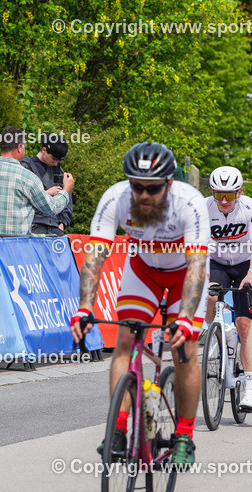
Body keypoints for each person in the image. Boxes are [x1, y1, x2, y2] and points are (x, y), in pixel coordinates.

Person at [70, 142, 208, 468]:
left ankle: (185, 435)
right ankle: (118, 429)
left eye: (153, 188)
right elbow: (95, 257)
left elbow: (197, 267)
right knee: (125, 340)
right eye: (136, 187)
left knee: (184, 346)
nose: (143, 195)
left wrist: (186, 318)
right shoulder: (115, 199)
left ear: (169, 184)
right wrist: (84, 308)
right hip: (142, 271)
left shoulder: (190, 203)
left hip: (183, 277)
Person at [204, 166, 252, 412]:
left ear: (240, 192)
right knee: (210, 295)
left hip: (243, 264)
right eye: (219, 195)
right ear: (212, 192)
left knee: (245, 325)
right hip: (217, 261)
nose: (225, 200)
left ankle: (250, 388)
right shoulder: (203, 208)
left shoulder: (250, 208)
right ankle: (212, 335)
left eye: (230, 194)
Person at [0, 126, 74, 236]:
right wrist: (66, 189)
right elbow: (52, 207)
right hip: (15, 247)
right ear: (19, 147)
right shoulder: (28, 177)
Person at [21, 133, 72, 236]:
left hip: (55, 228)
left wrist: (62, 223)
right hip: (33, 226)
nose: (56, 163)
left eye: (59, 160)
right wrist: (46, 193)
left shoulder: (59, 172)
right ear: (44, 150)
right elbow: (20, 202)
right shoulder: (26, 168)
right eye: (54, 159)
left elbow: (67, 200)